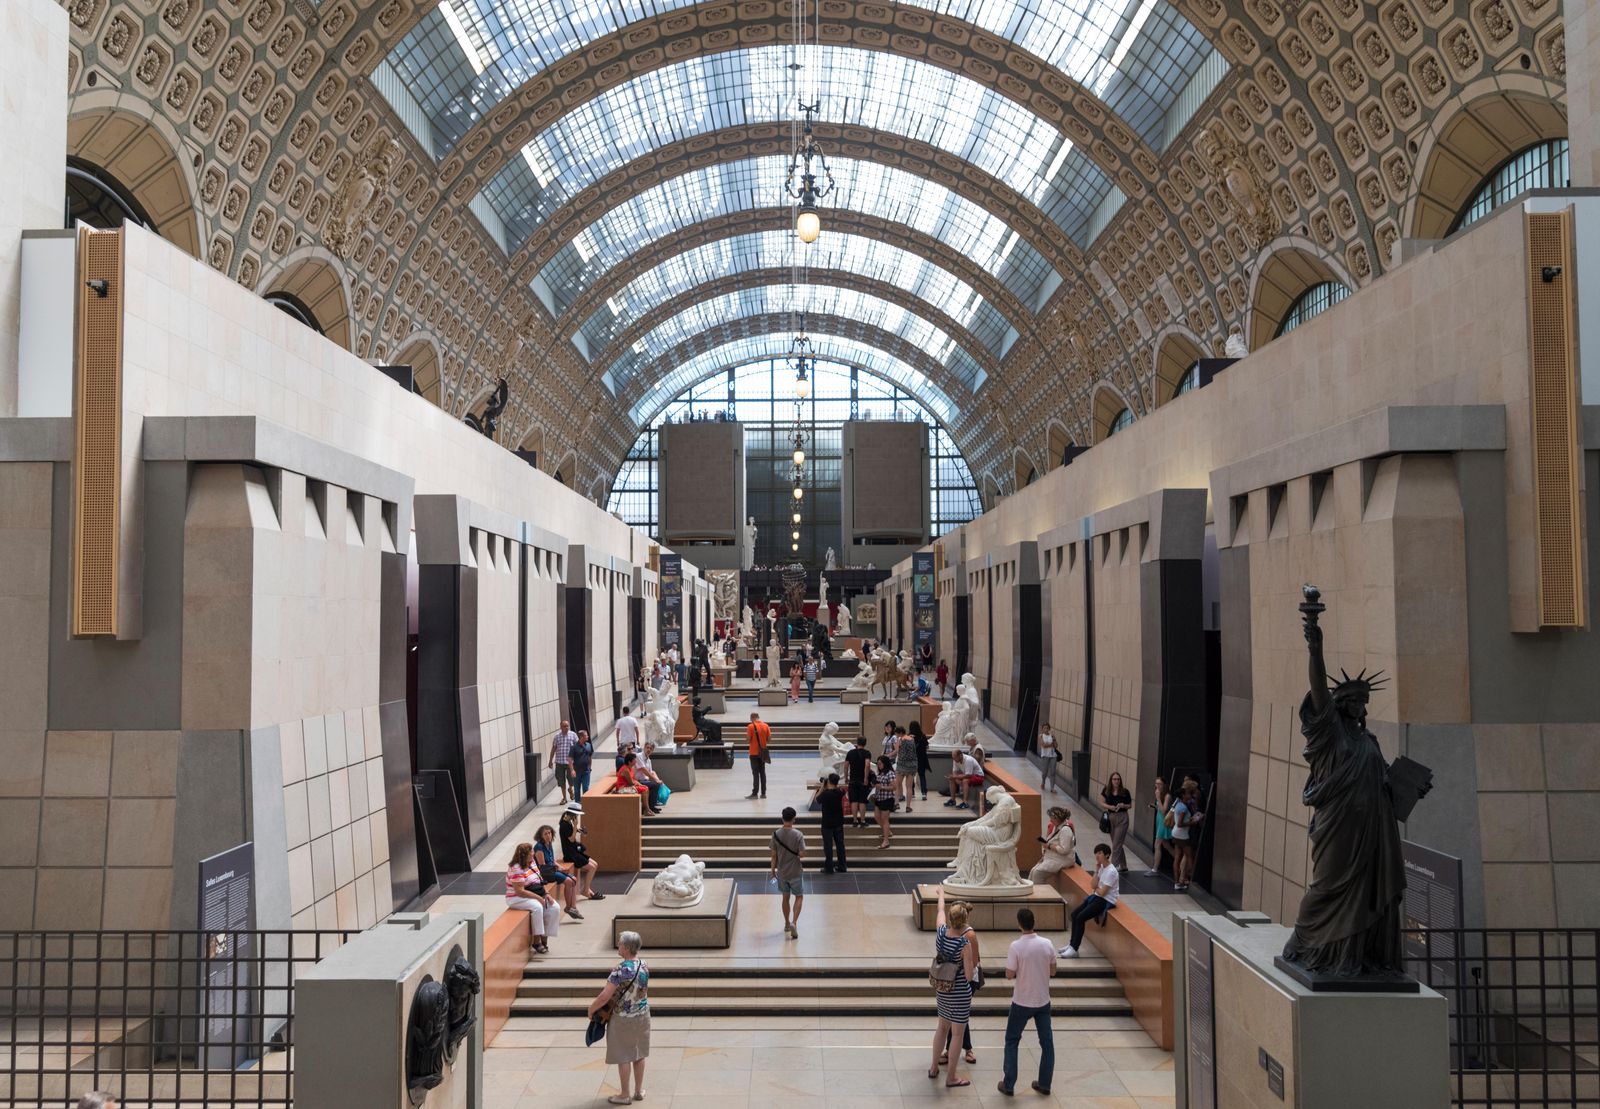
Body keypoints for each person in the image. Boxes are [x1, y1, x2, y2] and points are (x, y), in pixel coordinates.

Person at [998, 907, 1057, 1097]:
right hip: (1042, 1001)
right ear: (1034, 923)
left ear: (1019, 924)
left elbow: (1009, 974)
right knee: (1047, 1043)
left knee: (1012, 1041)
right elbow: (1053, 971)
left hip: (1022, 1001)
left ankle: (1009, 1084)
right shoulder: (1047, 944)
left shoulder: (1016, 946)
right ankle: (1045, 1084)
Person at [588, 930, 650, 1105]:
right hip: (643, 1014)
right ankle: (638, 1091)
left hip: (623, 1017)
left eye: (621, 944)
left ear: (627, 948)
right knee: (639, 1054)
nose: (619, 945)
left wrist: (591, 1009)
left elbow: (604, 997)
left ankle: (624, 1095)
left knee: (623, 1055)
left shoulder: (620, 970)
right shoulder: (644, 965)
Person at [929, 887, 976, 1088]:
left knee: (941, 1028)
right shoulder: (964, 943)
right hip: (959, 993)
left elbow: (939, 912)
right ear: (965, 921)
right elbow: (967, 974)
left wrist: (941, 895)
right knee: (957, 1034)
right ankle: (951, 1077)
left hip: (942, 989)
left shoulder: (941, 934)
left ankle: (933, 1067)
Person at [1059, 843, 1120, 958]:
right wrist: (1096, 871)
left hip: (1106, 900)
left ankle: (1074, 949)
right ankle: (1071, 945)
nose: (1097, 855)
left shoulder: (1111, 871)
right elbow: (1093, 885)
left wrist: (1097, 888)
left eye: (1100, 853)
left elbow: (1102, 892)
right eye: (1096, 853)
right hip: (1097, 897)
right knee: (1074, 914)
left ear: (1107, 855)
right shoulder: (1101, 867)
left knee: (1081, 917)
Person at [506, 842, 560, 954]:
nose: (533, 854)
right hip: (516, 898)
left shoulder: (532, 862)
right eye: (531, 852)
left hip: (533, 893)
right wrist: (538, 898)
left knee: (554, 907)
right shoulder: (516, 868)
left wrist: (547, 894)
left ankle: (545, 937)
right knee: (537, 907)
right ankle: (536, 941)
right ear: (524, 855)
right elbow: (520, 891)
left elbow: (539, 881)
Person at [769, 806, 806, 938]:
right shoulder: (798, 834)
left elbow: (773, 855)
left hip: (782, 872)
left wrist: (773, 871)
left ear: (782, 818)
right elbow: (802, 854)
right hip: (795, 871)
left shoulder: (775, 834)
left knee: (785, 897)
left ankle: (786, 923)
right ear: (794, 819)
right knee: (799, 896)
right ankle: (794, 922)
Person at [534, 824, 583, 919]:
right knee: (568, 881)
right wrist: (557, 868)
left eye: (549, 833)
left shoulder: (549, 844)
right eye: (545, 834)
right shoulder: (539, 847)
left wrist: (560, 867)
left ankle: (573, 907)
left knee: (573, 879)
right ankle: (568, 907)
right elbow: (543, 865)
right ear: (541, 836)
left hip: (552, 870)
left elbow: (552, 860)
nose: (548, 835)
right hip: (546, 873)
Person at [559, 802, 604, 901]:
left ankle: (587, 889)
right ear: (573, 814)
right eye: (577, 814)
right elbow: (571, 839)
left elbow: (571, 836)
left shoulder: (567, 822)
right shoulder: (564, 825)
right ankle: (585, 890)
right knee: (592, 868)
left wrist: (578, 829)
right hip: (570, 854)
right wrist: (575, 826)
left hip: (574, 851)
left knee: (595, 864)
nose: (578, 816)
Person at [1028, 806, 1077, 885]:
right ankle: (1032, 892)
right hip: (1053, 857)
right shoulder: (1056, 827)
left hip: (1062, 859)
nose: (1050, 820)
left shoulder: (1066, 830)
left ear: (1058, 819)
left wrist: (1049, 846)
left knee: (1037, 873)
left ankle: (1040, 895)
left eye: (1052, 818)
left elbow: (1064, 850)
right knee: (1033, 870)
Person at [1101, 771, 1133, 870]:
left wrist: (1123, 805)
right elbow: (1102, 802)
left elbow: (1130, 805)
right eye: (1114, 779)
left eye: (1118, 779)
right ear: (1111, 780)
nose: (1116, 781)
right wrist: (1110, 807)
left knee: (1116, 844)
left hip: (1122, 818)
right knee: (1117, 843)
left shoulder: (1125, 791)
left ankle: (1112, 868)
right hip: (1111, 817)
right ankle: (1123, 866)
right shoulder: (1106, 790)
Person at [817, 772, 848, 873]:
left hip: (827, 823)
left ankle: (829, 868)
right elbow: (840, 789)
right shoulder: (839, 792)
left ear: (829, 781)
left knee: (828, 846)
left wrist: (822, 786)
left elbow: (817, 799)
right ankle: (842, 866)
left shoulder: (825, 794)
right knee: (840, 845)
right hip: (838, 822)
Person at [1145, 776, 1175, 878]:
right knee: (1166, 845)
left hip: (1164, 823)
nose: (1157, 786)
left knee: (1157, 845)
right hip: (1160, 821)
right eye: (1156, 784)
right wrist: (1154, 805)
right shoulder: (1161, 795)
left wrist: (1158, 798)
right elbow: (1160, 808)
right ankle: (1179, 861)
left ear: (1164, 785)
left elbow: (1164, 811)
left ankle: (1154, 869)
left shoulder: (1167, 796)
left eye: (1160, 784)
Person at [615, 751, 660, 815]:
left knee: (645, 788)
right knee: (644, 789)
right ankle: (647, 810)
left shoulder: (630, 768)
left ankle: (646, 809)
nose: (636, 761)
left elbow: (633, 779)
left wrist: (639, 784)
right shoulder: (626, 770)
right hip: (622, 788)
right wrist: (638, 784)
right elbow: (630, 783)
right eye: (634, 760)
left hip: (628, 786)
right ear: (629, 762)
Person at [845, 735, 873, 827]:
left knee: (854, 801)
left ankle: (855, 820)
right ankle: (863, 821)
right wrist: (865, 778)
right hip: (862, 781)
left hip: (852, 780)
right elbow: (867, 765)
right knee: (862, 801)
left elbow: (846, 766)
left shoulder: (850, 753)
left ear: (857, 742)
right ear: (865, 743)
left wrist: (846, 777)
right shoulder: (867, 753)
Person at [871, 754, 898, 848]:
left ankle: (886, 841)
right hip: (879, 798)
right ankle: (887, 832)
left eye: (880, 764)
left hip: (887, 798)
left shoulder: (890, 773)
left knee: (884, 819)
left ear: (885, 764)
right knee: (876, 816)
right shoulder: (881, 773)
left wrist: (881, 787)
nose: (879, 765)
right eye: (878, 764)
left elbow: (894, 787)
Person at [551, 720, 578, 804]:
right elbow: (554, 748)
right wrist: (550, 760)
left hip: (570, 763)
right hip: (559, 762)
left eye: (567, 726)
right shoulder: (557, 736)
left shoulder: (573, 735)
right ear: (561, 727)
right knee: (561, 781)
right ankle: (564, 798)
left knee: (572, 780)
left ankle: (570, 789)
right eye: (564, 726)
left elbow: (577, 747)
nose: (566, 728)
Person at [636, 742, 669, 811]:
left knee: (657, 784)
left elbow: (651, 773)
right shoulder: (638, 756)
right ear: (644, 748)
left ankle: (652, 805)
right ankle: (651, 807)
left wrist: (658, 781)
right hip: (638, 781)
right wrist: (656, 780)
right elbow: (644, 770)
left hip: (645, 780)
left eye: (651, 748)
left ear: (652, 750)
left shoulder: (649, 760)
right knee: (655, 785)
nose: (649, 750)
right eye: (647, 747)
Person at [894, 723, 919, 811]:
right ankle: (908, 806)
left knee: (897, 785)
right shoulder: (911, 739)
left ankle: (896, 803)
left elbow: (897, 751)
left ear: (900, 733)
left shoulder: (900, 740)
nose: (896, 735)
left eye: (896, 734)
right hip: (912, 765)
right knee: (909, 787)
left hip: (901, 765)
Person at [746, 712, 771, 799]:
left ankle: (755, 793)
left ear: (752, 718)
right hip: (762, 753)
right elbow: (769, 739)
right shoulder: (766, 726)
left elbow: (748, 740)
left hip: (753, 753)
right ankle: (763, 793)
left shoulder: (750, 726)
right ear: (758, 717)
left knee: (755, 773)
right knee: (763, 773)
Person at [570, 729, 594, 798]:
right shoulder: (574, 747)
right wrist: (572, 770)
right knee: (577, 789)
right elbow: (570, 759)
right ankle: (577, 803)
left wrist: (590, 767)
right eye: (586, 735)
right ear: (581, 737)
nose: (588, 736)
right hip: (577, 772)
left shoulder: (589, 745)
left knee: (586, 788)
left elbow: (590, 756)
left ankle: (585, 803)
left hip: (586, 771)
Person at [911, 721, 931, 800]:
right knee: (922, 776)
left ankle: (912, 793)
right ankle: (924, 793)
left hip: (912, 759)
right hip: (922, 759)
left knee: (911, 776)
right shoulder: (923, 736)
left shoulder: (909, 736)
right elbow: (927, 746)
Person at [1037, 723, 1059, 792]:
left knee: (1053, 772)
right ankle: (1043, 782)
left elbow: (1055, 746)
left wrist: (1054, 740)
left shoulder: (1052, 736)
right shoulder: (1041, 736)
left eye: (1047, 728)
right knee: (1045, 771)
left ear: (1049, 729)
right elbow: (1043, 745)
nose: (1046, 729)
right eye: (1044, 728)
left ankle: (1052, 788)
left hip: (1053, 756)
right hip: (1045, 755)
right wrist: (1050, 744)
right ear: (1042, 729)